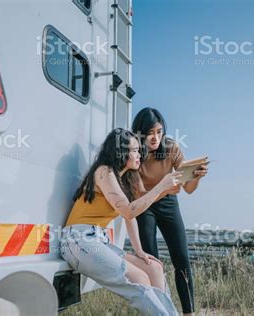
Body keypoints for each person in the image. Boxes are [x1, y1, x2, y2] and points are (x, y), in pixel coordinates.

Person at [60, 128, 182, 315]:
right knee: (139, 278)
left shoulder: (122, 179)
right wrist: (161, 187)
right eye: (134, 150)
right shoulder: (104, 172)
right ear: (120, 152)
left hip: (98, 241)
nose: (139, 154)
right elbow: (128, 210)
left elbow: (128, 216)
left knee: (154, 268)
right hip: (78, 240)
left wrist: (140, 251)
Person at [132, 108, 208, 316]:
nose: (155, 137)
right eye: (150, 133)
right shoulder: (134, 153)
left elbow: (188, 189)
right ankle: (159, 310)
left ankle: (188, 312)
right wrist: (163, 188)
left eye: (159, 131)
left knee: (182, 258)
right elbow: (139, 193)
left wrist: (197, 177)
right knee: (152, 262)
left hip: (168, 203)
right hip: (145, 204)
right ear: (140, 134)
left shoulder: (172, 148)